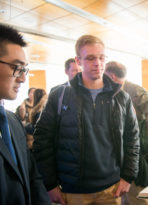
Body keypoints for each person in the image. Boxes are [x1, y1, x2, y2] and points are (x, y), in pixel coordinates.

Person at [33, 34, 140, 205]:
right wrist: (50, 184)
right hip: (74, 191)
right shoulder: (60, 96)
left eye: (101, 57)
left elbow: (132, 139)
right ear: (78, 60)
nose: (97, 63)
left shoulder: (121, 98)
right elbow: (42, 140)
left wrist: (128, 176)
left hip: (111, 189)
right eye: (90, 58)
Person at [0, 24, 50, 204]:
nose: (22, 78)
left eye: (24, 69)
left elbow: (32, 177)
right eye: (17, 68)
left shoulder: (12, 121)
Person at [105, 61, 148, 205]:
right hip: (125, 151)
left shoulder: (132, 89)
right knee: (128, 194)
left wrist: (144, 139)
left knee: (138, 193)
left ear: (112, 76)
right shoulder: (114, 91)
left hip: (138, 151)